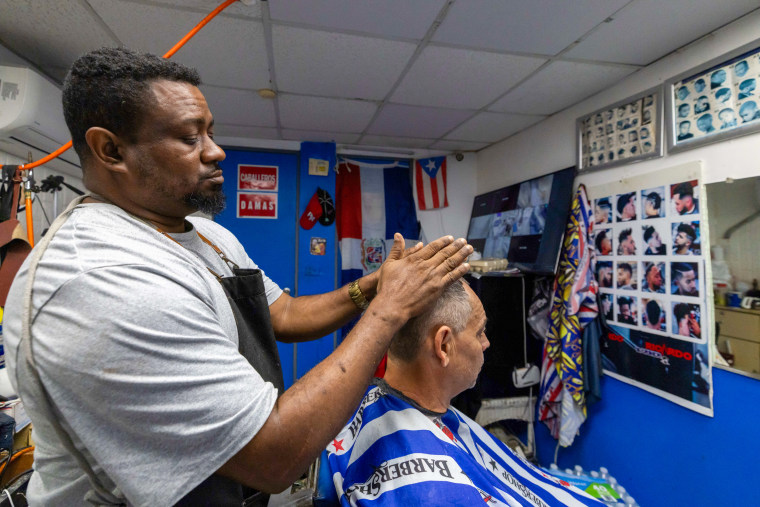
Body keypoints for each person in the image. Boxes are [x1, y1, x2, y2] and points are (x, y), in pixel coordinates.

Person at [1, 48, 472, 506]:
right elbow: (274, 456)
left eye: (210, 133)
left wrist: (372, 287)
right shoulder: (101, 279)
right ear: (111, 149)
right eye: (190, 138)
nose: (216, 151)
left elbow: (283, 313)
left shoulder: (203, 233)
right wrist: (390, 309)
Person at [325, 281, 603, 506]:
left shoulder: (351, 405)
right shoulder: (434, 492)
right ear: (444, 346)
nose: (486, 343)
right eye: (479, 332)